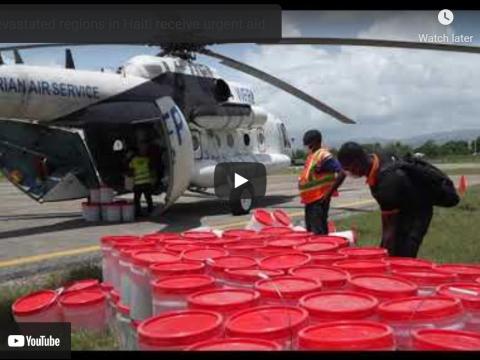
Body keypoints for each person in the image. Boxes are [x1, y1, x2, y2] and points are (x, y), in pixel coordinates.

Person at [337, 142, 457, 257]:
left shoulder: (386, 183)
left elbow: (390, 229)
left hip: (417, 213)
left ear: (357, 163)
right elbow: (388, 223)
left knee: (404, 254)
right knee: (393, 248)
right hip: (404, 203)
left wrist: (382, 256)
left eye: (349, 168)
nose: (349, 173)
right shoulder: (376, 158)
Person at [298, 130, 346, 234]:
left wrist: (328, 193)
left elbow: (342, 173)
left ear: (316, 142)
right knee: (311, 231)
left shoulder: (323, 155)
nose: (307, 147)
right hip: (310, 200)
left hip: (319, 199)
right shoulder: (312, 156)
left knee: (318, 232)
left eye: (308, 144)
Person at [129, 143, 154, 217]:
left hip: (138, 183)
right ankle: (150, 210)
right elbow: (151, 169)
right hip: (146, 182)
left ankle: (138, 213)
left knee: (136, 199)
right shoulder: (146, 159)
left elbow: (131, 171)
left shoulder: (133, 160)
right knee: (148, 198)